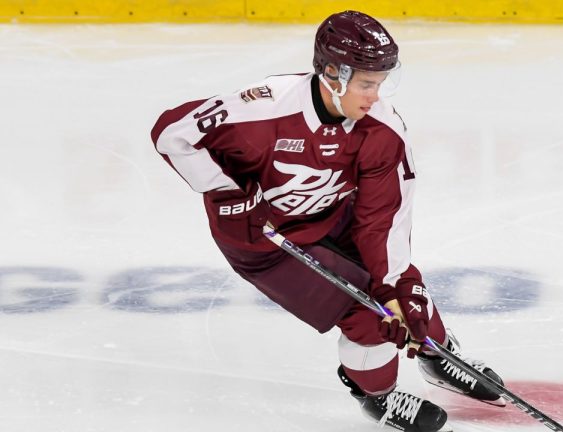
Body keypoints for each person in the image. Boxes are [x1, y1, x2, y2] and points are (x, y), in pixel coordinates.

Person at [151, 10, 505, 432]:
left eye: (382, 82)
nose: (376, 96)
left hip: (334, 216)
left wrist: (395, 286)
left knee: (405, 294)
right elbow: (171, 133)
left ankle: (438, 354)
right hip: (266, 241)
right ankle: (378, 397)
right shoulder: (264, 107)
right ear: (333, 73)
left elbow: (382, 218)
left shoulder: (383, 128)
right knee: (370, 318)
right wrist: (225, 191)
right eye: (367, 84)